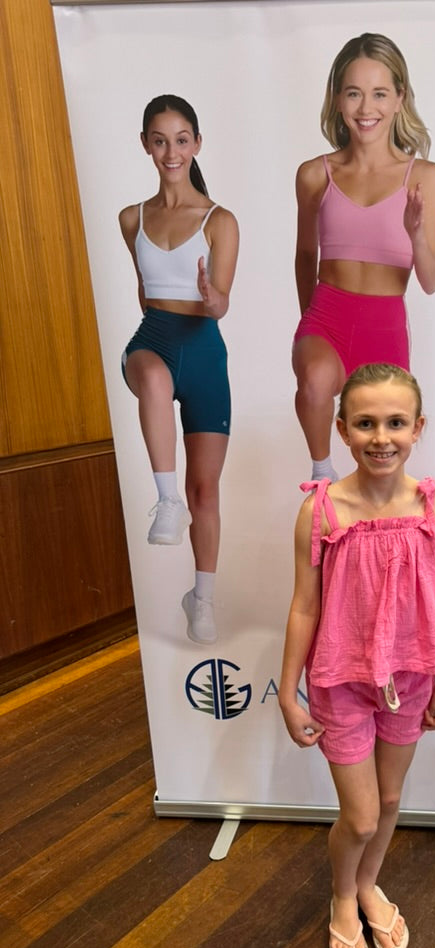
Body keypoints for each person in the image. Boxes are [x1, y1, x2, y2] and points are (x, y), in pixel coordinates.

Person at [278, 363, 435, 948]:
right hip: (341, 681)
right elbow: (304, 605)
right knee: (358, 815)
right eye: (366, 423)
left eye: (396, 423)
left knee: (389, 796)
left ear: (418, 428)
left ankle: (370, 884)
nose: (382, 436)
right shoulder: (322, 512)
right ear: (343, 430)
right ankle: (343, 893)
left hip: (409, 679)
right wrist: (288, 693)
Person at [293, 32, 435, 482]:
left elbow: (432, 280)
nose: (366, 108)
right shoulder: (314, 175)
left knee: (383, 455)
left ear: (399, 98)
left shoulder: (425, 177)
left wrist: (415, 234)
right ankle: (321, 476)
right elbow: (305, 255)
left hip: (385, 324)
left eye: (379, 93)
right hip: (328, 314)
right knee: (317, 380)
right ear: (338, 99)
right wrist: (309, 322)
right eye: (354, 93)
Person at [119, 95, 239, 644]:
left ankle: (202, 600)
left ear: (196, 143)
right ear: (147, 144)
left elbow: (221, 305)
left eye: (182, 139)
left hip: (205, 348)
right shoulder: (131, 218)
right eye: (160, 140)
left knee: (206, 492)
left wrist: (211, 296)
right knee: (154, 377)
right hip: (154, 342)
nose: (172, 151)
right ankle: (165, 502)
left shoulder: (220, 220)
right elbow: (146, 296)